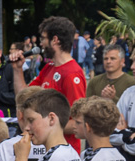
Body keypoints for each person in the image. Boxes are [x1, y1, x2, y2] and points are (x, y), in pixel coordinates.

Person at [12, 17, 88, 150]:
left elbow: (77, 123)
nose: (40, 44)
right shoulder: (49, 67)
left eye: (43, 38)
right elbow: (23, 99)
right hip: (45, 151)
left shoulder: (72, 74)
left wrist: (43, 126)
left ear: (55, 40)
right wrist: (17, 70)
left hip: (63, 152)